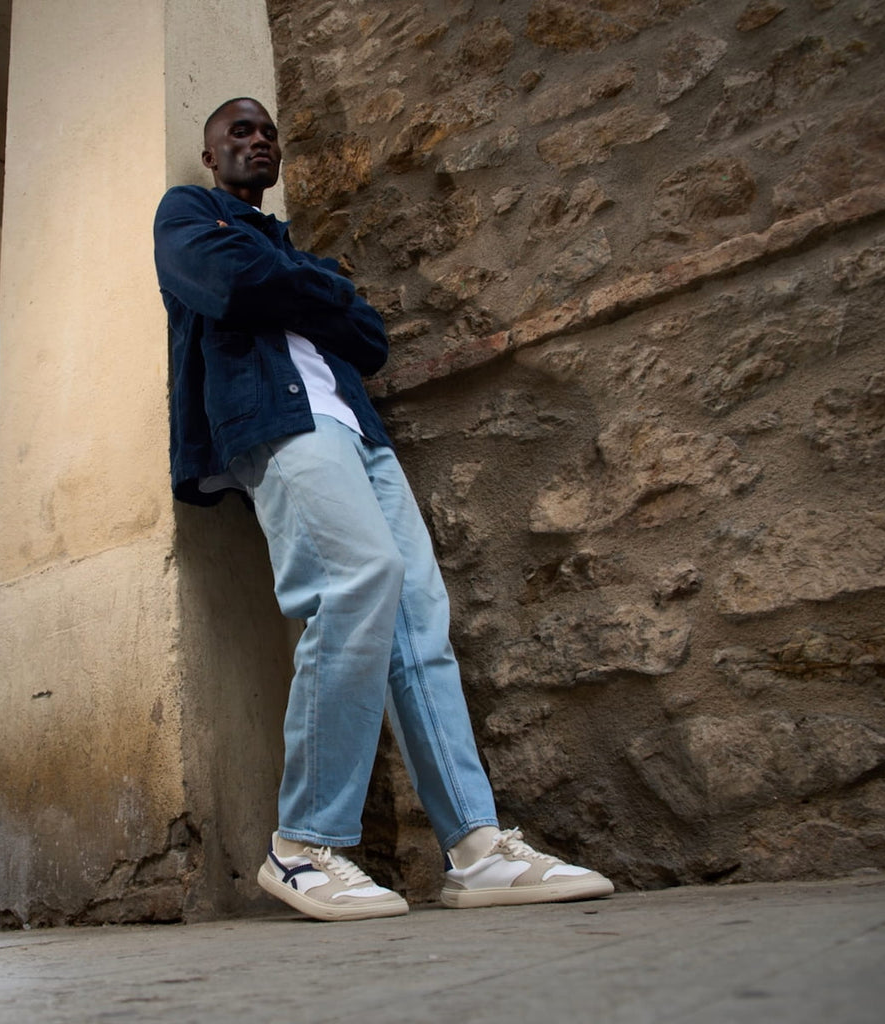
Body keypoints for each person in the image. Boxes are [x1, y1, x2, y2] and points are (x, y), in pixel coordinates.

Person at [153, 97, 614, 921]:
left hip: (357, 434)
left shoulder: (289, 248)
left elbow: (367, 338)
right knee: (357, 581)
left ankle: (475, 848)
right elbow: (227, 281)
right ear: (210, 152)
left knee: (417, 613)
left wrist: (302, 285)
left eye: (268, 134)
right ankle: (305, 846)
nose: (258, 141)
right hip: (280, 423)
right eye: (240, 132)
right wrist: (317, 289)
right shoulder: (189, 213)